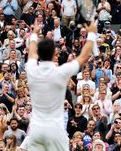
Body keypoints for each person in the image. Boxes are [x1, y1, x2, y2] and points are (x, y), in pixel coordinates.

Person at [25, 19, 97, 150]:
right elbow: (83, 56)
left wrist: (34, 33)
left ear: (38, 54)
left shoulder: (31, 69)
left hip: (35, 131)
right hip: (55, 131)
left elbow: (31, 52)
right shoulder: (61, 72)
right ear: (54, 53)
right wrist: (91, 34)